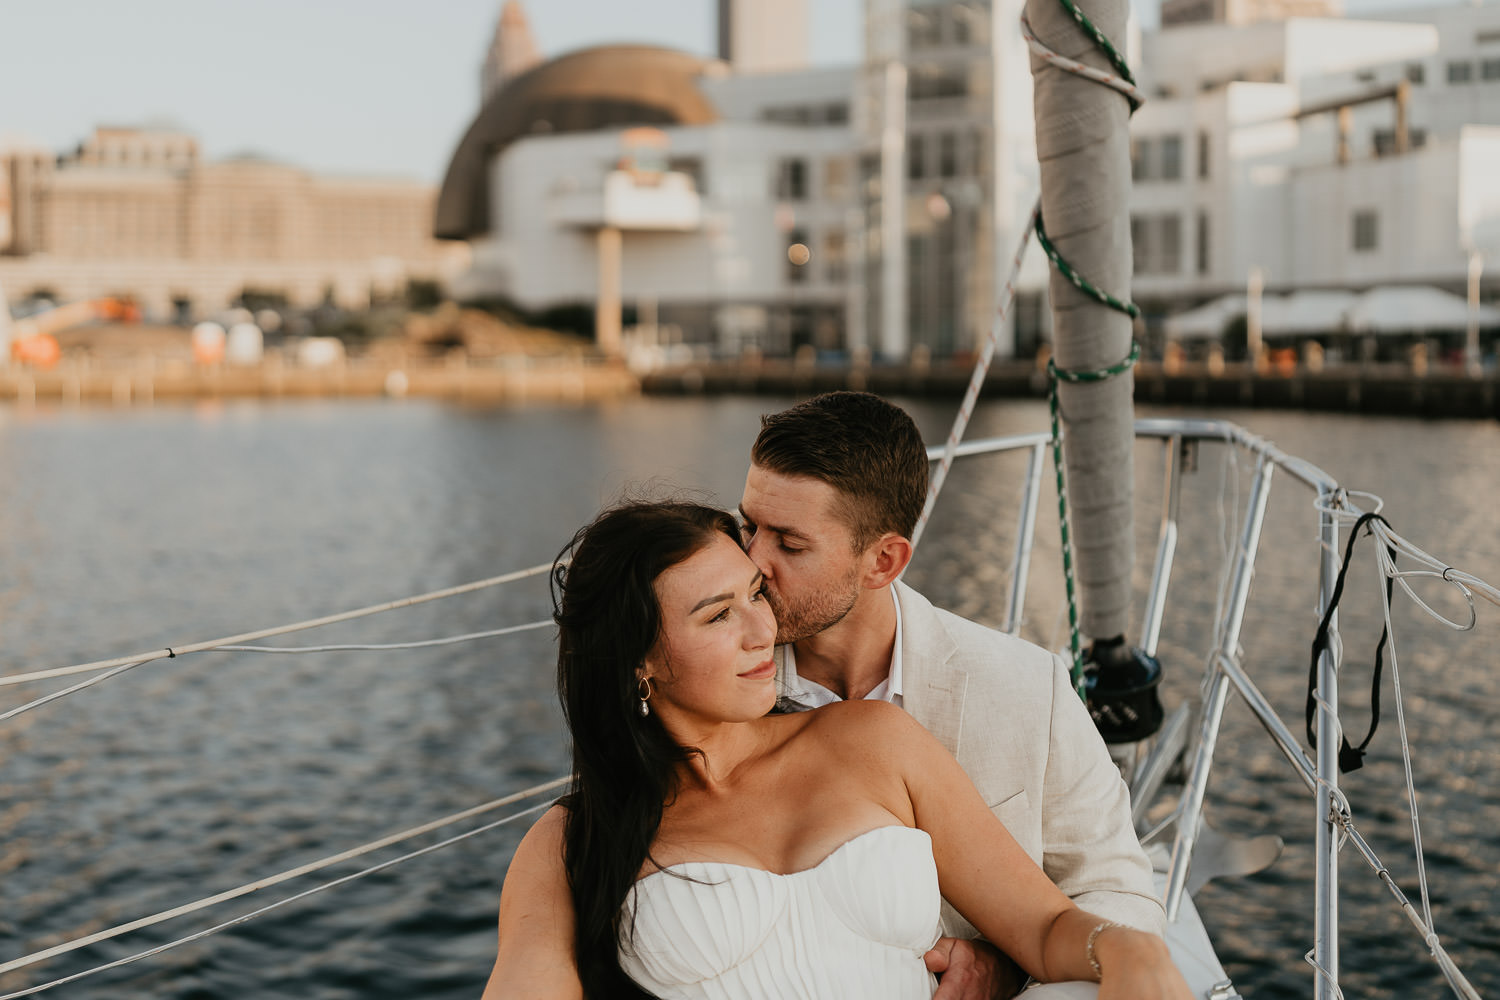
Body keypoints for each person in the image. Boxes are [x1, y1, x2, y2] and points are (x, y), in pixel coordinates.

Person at [481, 500, 1191, 999]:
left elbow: (1045, 926)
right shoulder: (572, 841)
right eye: (718, 615)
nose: (762, 630)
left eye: (755, 594)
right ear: (641, 662)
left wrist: (1126, 946)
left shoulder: (871, 740)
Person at [738, 392, 1166, 998]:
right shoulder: (716, 686)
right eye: (747, 526)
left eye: (789, 542)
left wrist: (1009, 963)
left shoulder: (1025, 687)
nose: (751, 564)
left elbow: (1117, 893)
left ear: (883, 561)